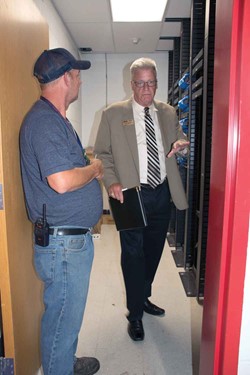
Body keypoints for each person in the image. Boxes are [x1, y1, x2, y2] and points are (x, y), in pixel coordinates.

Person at [19, 48, 103, 375]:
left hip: (69, 242)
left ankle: (64, 361)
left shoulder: (56, 120)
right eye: (78, 75)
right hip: (64, 246)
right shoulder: (43, 122)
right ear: (66, 78)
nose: (80, 81)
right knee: (62, 322)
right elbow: (62, 181)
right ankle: (59, 366)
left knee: (67, 316)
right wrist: (94, 169)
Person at [94, 57, 189, 342]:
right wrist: (111, 182)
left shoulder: (169, 112)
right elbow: (102, 154)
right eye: (141, 83)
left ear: (157, 83)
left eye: (151, 83)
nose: (146, 89)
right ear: (131, 84)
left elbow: (179, 142)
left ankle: (142, 296)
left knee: (153, 251)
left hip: (161, 191)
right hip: (131, 195)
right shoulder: (113, 114)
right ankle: (135, 314)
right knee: (133, 255)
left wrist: (182, 147)